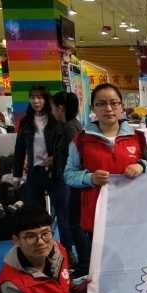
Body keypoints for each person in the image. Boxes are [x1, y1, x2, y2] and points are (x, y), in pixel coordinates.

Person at [64, 83, 147, 271]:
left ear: (121, 106)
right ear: (93, 108)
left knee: (134, 263)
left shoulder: (137, 138)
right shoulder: (81, 140)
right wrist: (90, 178)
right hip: (97, 216)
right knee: (104, 267)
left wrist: (141, 166)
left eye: (113, 103)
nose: (108, 108)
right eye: (101, 104)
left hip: (132, 214)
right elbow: (69, 174)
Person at [12, 85, 72, 256]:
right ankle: (39, 254)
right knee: (33, 218)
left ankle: (68, 254)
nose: (36, 101)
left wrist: (56, 160)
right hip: (34, 173)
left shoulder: (56, 121)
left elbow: (66, 149)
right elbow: (19, 149)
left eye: (40, 97)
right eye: (32, 97)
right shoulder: (26, 122)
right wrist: (17, 175)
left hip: (56, 173)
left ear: (46, 100)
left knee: (64, 216)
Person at [52, 91, 85, 266]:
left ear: (60, 108)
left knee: (71, 222)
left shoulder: (69, 129)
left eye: (53, 107)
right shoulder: (74, 126)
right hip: (71, 181)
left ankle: (77, 260)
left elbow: (71, 157)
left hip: (69, 182)